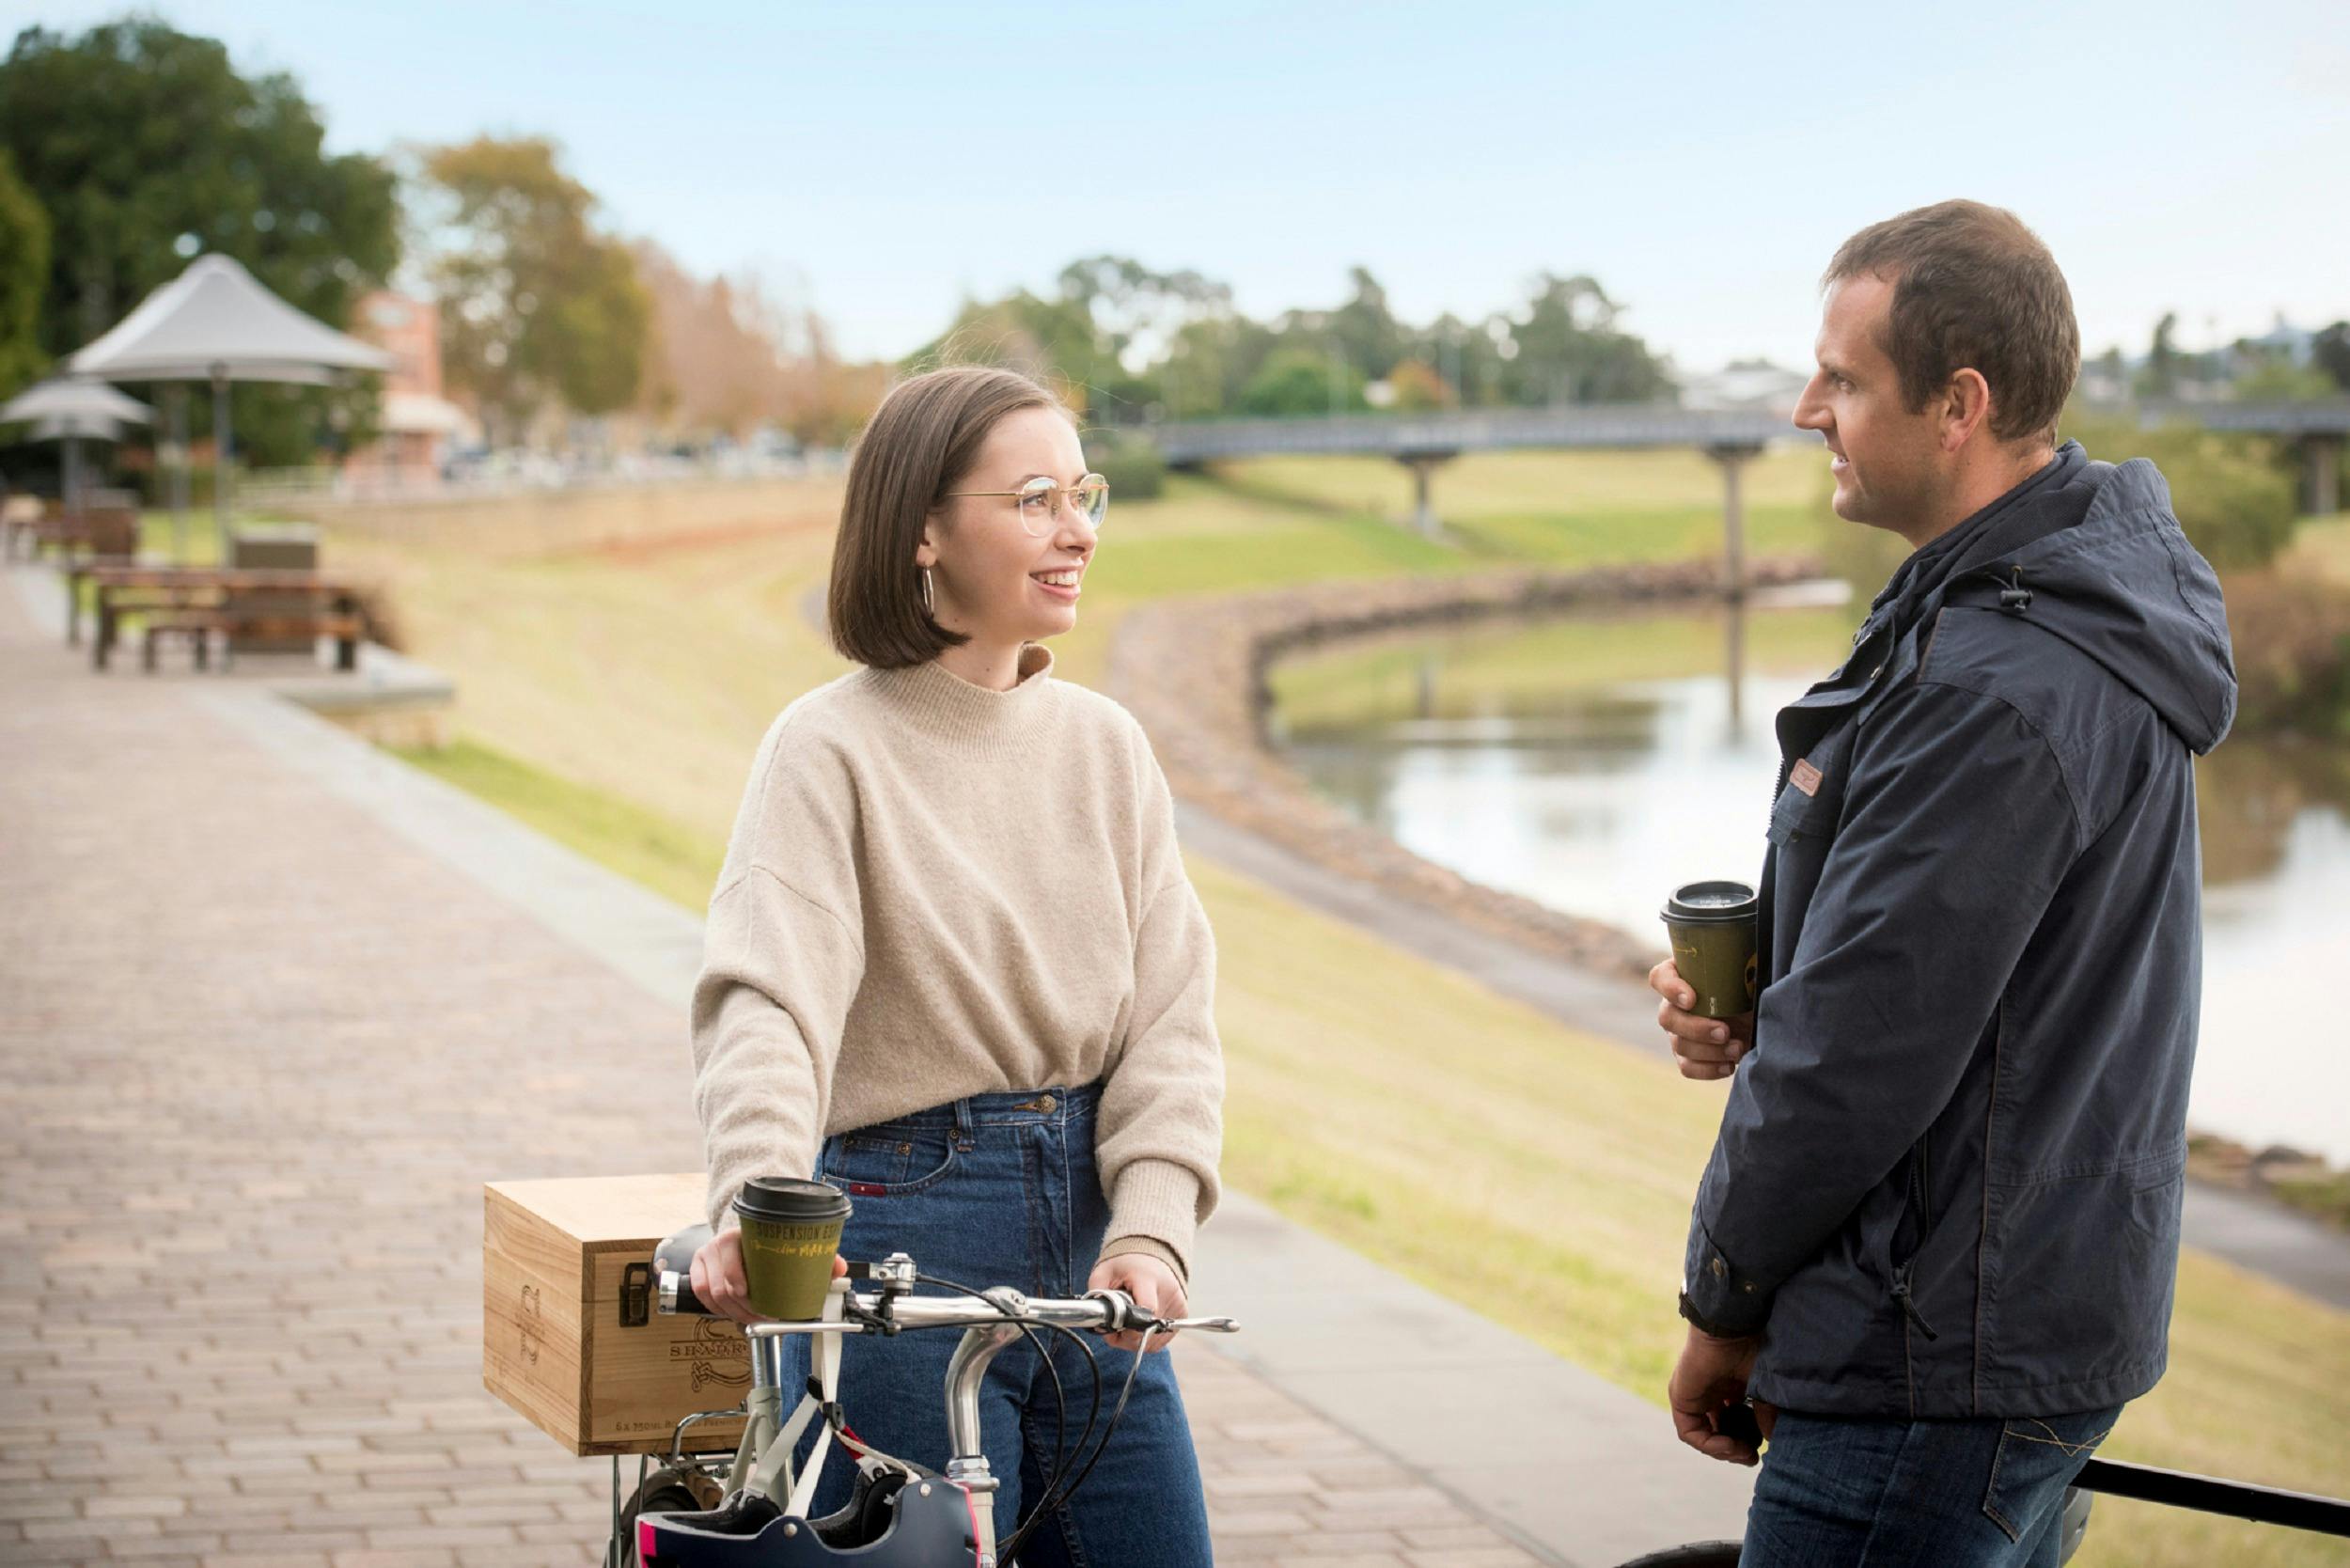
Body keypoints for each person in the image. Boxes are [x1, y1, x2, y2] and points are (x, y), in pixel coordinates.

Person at [1648, 200, 2236, 1565]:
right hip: (2011, 1331)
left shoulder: (1997, 682)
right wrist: (1757, 988)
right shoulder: (2015, 603)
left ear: (1958, 402)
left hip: (1932, 1356)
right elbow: (1935, 972)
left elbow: (1853, 1058)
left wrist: (1721, 1302)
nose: (1806, 408)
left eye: (1844, 380)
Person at [686, 364, 1224, 1566]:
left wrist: (1149, 1230)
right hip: (891, 1241)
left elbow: (1173, 1020)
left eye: (1083, 493)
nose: (1077, 529)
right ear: (923, 530)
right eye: (1034, 498)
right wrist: (753, 1200)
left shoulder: (1108, 747)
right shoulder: (826, 748)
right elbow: (765, 1005)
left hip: (1092, 1259)